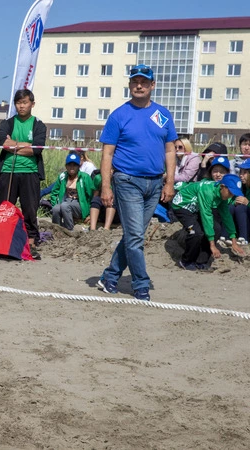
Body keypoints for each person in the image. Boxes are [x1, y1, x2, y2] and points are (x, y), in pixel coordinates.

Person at [97, 65, 177, 301]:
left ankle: (110, 276)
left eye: (144, 82)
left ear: (152, 85)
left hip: (154, 184)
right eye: (135, 82)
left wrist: (169, 182)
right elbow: (107, 154)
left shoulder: (162, 115)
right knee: (135, 238)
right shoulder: (119, 115)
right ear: (130, 85)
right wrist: (105, 186)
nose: (139, 85)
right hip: (127, 181)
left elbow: (170, 150)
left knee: (134, 235)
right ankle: (141, 283)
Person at [0, 89, 47, 260]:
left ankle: (30, 245)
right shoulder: (7, 123)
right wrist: (25, 145)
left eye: (25, 102)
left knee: (30, 210)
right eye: (19, 102)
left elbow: (36, 149)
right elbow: (4, 143)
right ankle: (2, 244)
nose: (22, 106)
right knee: (4, 208)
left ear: (32, 104)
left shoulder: (39, 125)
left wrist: (15, 145)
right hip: (8, 172)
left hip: (30, 173)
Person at [171, 174, 246, 270]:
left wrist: (234, 241)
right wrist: (212, 245)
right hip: (182, 206)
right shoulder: (208, 191)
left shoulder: (221, 195)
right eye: (230, 192)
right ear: (222, 186)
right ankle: (186, 261)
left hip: (196, 208)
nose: (231, 196)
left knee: (217, 229)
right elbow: (207, 217)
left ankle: (201, 261)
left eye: (234, 194)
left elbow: (226, 216)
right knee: (195, 232)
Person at [49, 153, 95, 231]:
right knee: (56, 208)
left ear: (78, 166)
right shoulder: (62, 177)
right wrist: (55, 203)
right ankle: (57, 229)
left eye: (75, 165)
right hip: (66, 201)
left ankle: (69, 229)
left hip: (80, 204)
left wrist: (90, 214)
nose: (72, 167)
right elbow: (54, 192)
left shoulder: (85, 177)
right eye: (69, 165)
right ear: (66, 166)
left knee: (64, 205)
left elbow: (92, 195)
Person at [230, 159, 250, 244]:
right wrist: (235, 202)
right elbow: (230, 200)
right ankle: (226, 237)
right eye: (240, 172)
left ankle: (244, 238)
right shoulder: (241, 186)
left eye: (244, 172)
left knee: (241, 208)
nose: (241, 175)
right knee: (231, 207)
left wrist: (248, 203)